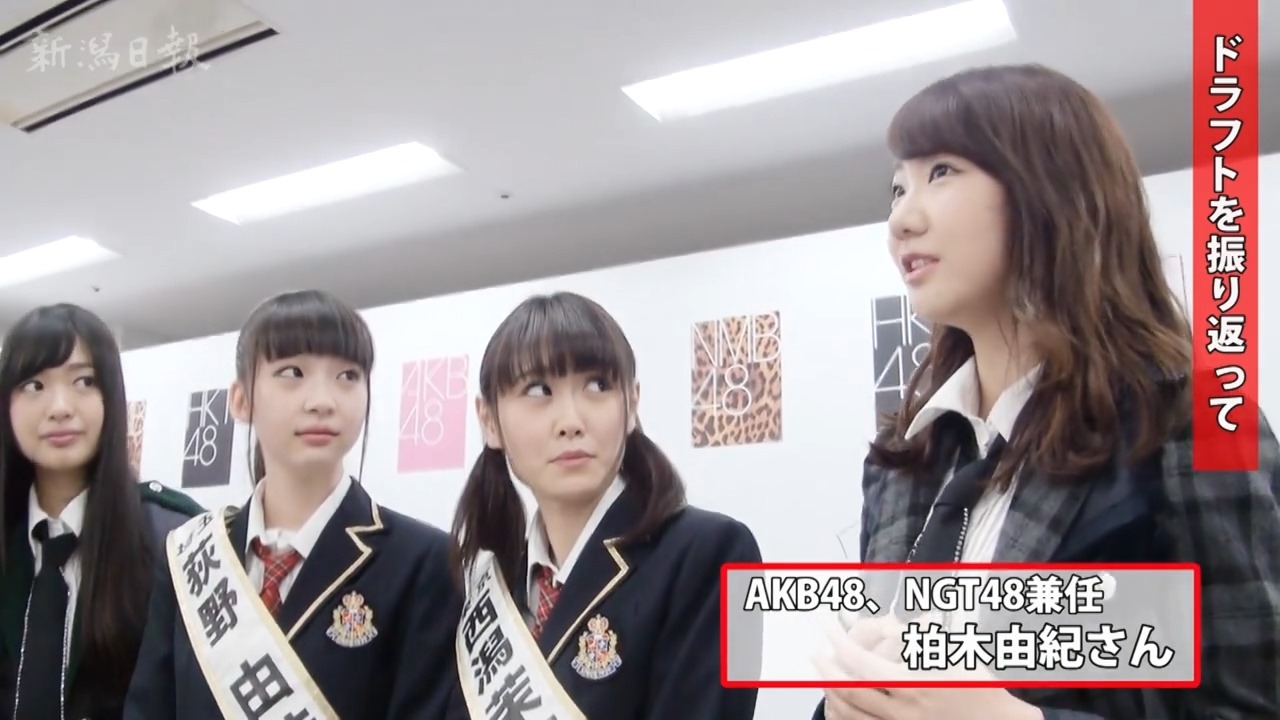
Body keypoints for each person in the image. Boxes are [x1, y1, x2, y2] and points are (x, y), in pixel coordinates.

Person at [812, 63, 1280, 719]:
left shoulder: (1189, 422)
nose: (901, 221)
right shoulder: (904, 458)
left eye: (941, 172)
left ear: (1050, 190)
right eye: (896, 189)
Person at [123, 289, 465, 720]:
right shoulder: (191, 554)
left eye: (348, 376)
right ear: (241, 400)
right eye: (293, 372)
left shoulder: (422, 561)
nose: (323, 400)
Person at [449, 291, 763, 720]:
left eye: (598, 385)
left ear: (632, 404)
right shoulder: (487, 587)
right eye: (538, 390)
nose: (571, 421)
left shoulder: (723, 553)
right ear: (489, 421)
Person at [0, 303, 204, 720]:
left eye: (84, 381)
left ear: (112, 397)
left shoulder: (173, 542)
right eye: (34, 385)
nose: (60, 407)